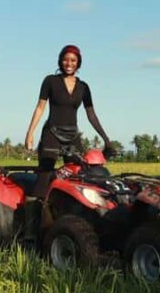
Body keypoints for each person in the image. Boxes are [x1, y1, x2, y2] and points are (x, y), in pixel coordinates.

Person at [24, 44, 114, 198]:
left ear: (78, 63)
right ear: (60, 61)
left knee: (79, 174)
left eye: (73, 60)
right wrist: (29, 133)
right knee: (44, 175)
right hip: (52, 132)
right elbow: (40, 108)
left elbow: (91, 114)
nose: (69, 63)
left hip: (72, 135)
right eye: (66, 60)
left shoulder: (83, 87)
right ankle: (35, 217)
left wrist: (106, 139)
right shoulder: (50, 81)